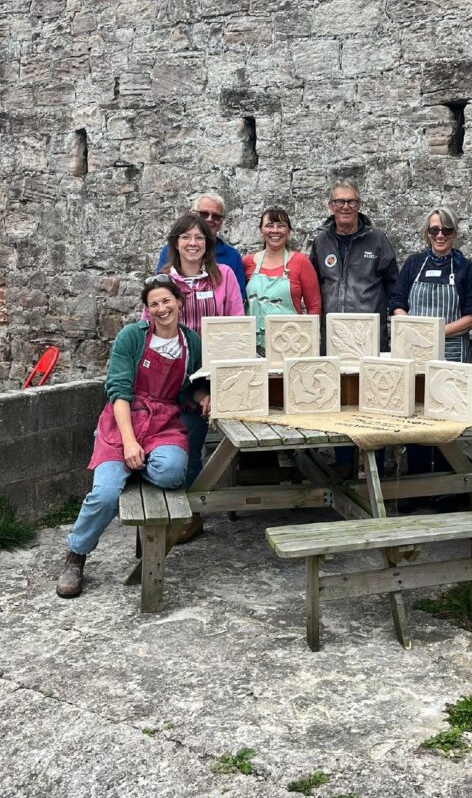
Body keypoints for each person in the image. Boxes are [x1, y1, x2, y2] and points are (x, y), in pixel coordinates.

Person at [56, 277, 210, 599]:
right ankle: (77, 555)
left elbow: (189, 386)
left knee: (171, 473)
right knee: (106, 494)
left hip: (163, 423)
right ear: (148, 309)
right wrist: (128, 442)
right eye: (154, 303)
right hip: (123, 420)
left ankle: (137, 468)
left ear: (179, 302)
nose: (161, 308)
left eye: (166, 301)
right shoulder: (132, 337)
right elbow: (119, 392)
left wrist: (202, 397)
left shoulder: (191, 342)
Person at [155, 212, 244, 539]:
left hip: (215, 372)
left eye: (199, 238)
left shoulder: (225, 276)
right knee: (178, 442)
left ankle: (193, 510)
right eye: (186, 237)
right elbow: (149, 326)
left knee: (211, 442)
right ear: (175, 243)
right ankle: (180, 511)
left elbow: (237, 323)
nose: (193, 243)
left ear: (208, 244)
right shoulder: (163, 282)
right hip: (175, 373)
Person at [391, 207, 472, 485]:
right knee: (417, 418)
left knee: (446, 423)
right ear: (426, 233)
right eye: (434, 230)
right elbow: (397, 302)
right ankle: (416, 485)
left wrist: (437, 333)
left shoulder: (465, 269)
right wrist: (412, 330)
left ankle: (447, 489)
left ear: (455, 233)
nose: (440, 235)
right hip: (415, 354)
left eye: (446, 229)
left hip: (451, 355)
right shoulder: (413, 264)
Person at [309, 179, 398, 351]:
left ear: (359, 205)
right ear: (331, 206)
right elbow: (313, 287)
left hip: (368, 335)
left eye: (351, 201)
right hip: (332, 335)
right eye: (339, 201)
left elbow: (394, 288)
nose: (345, 206)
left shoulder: (377, 239)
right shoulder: (321, 241)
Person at [243, 206, 321, 351]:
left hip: (291, 344)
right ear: (261, 230)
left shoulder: (301, 262)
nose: (275, 230)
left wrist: (308, 343)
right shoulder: (247, 262)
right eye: (269, 225)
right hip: (252, 345)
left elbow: (314, 307)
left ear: (289, 231)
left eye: (281, 226)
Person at [157, 191, 246, 301]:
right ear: (193, 215)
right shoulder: (169, 251)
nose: (209, 219)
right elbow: (159, 292)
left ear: (222, 222)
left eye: (216, 216)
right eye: (204, 214)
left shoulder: (232, 256)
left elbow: (238, 300)